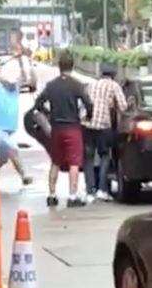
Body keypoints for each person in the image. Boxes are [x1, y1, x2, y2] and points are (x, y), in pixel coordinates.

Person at [34, 51, 93, 208]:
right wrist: (87, 116)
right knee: (74, 163)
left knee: (55, 162)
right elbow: (88, 103)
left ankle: (52, 195)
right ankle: (72, 197)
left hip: (56, 129)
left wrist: (48, 114)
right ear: (72, 67)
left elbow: (38, 103)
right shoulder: (77, 85)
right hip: (73, 127)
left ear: (59, 67)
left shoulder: (51, 85)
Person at [0, 50, 33, 185]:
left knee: (3, 158)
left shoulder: (15, 87)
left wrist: (24, 59)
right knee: (12, 149)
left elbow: (25, 76)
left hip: (9, 130)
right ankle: (24, 175)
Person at [83, 63, 127, 202]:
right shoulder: (114, 86)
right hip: (103, 126)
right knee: (104, 156)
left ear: (101, 73)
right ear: (113, 75)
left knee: (88, 158)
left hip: (87, 124)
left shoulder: (91, 85)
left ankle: (90, 192)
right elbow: (123, 106)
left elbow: (84, 102)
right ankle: (102, 189)